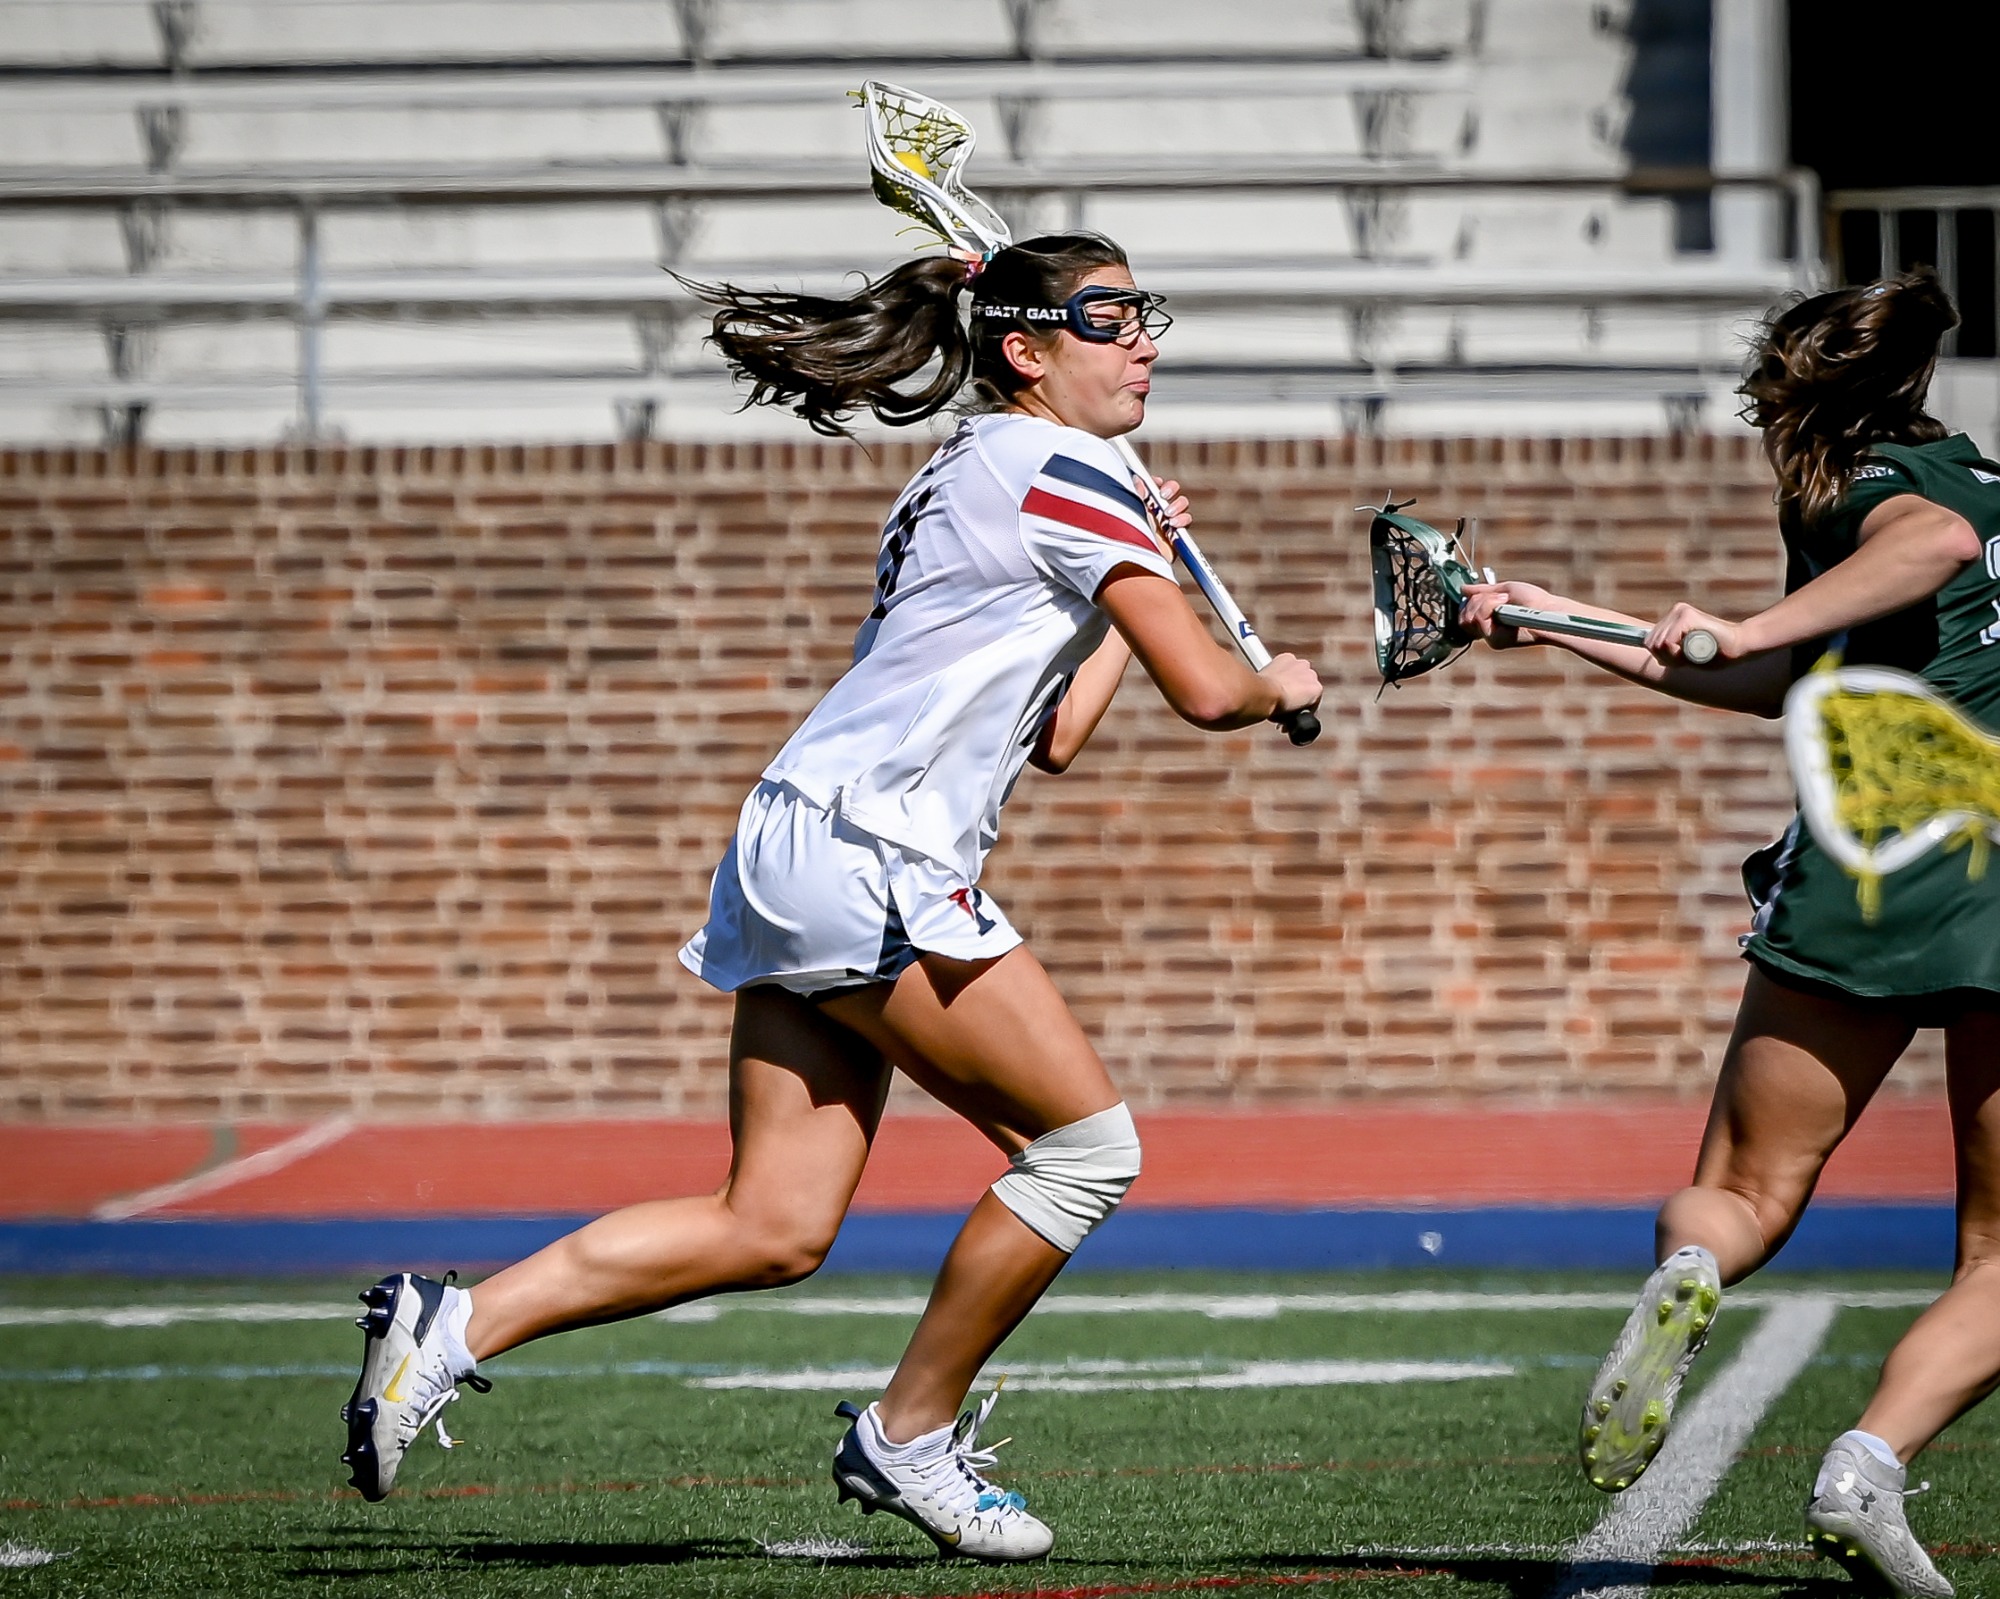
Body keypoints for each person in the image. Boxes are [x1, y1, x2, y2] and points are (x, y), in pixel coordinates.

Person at [338, 232, 1323, 1563]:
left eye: (1147, 312)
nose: (1143, 339)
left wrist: (1125, 584)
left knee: (774, 1225)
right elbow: (1211, 691)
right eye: (1108, 318)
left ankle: (449, 1328)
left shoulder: (984, 469)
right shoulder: (1070, 467)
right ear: (1025, 350)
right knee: (1087, 1152)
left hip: (803, 842)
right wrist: (1283, 686)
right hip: (875, 855)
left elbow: (1060, 737)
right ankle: (907, 1437)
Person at [1461, 270, 1996, 1598]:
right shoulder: (1967, 470)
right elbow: (1764, 672)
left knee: (1749, 1193)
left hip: (1862, 865)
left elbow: (1912, 550)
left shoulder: (1863, 490)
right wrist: (1550, 614)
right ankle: (1869, 1462)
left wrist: (1751, 621)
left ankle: (1693, 1267)